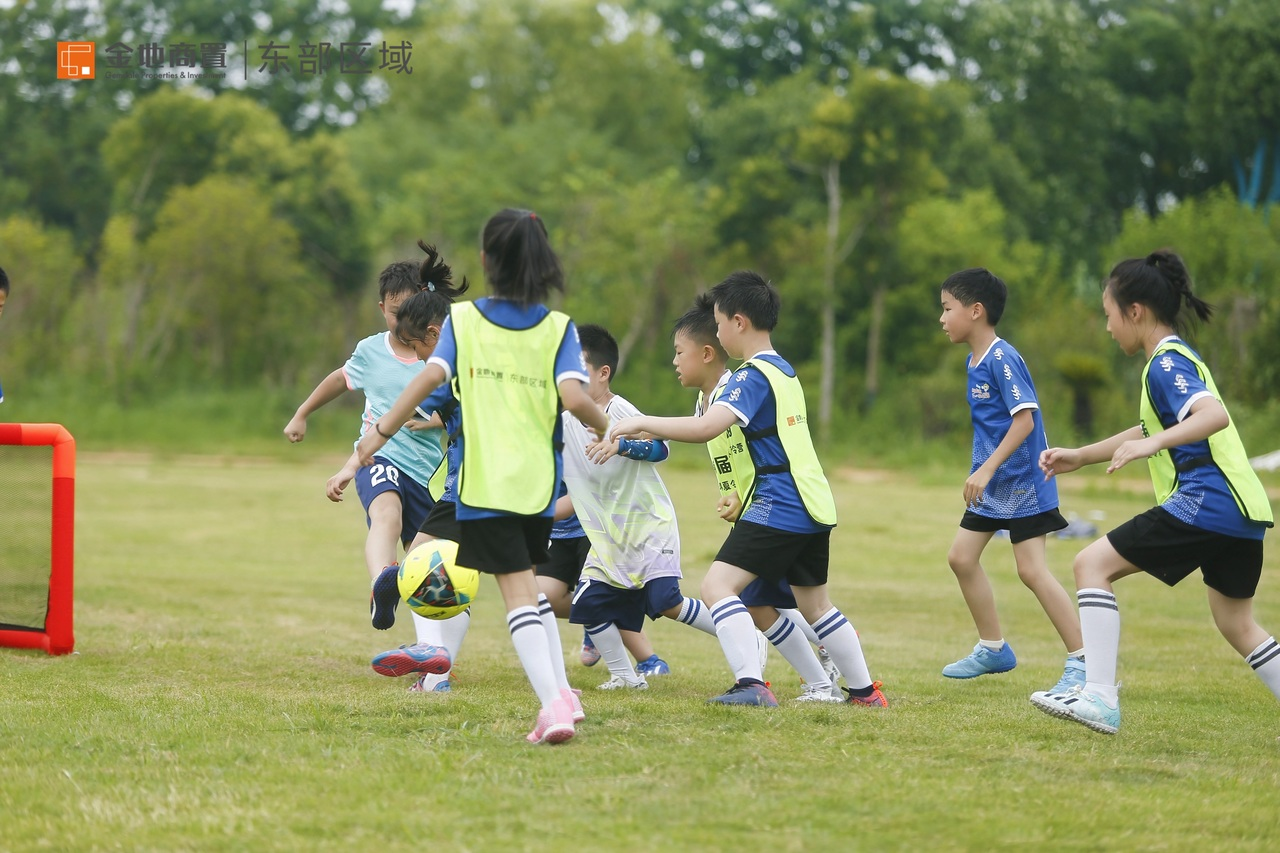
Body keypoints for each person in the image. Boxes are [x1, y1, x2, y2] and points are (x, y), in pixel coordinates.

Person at [356, 208, 608, 745]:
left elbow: (427, 378)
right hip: (540, 483)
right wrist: (610, 429)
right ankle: (550, 688)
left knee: (510, 591)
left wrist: (380, 431)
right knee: (521, 588)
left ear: (488, 260)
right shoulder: (558, 328)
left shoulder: (465, 322)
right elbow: (573, 398)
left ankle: (552, 704)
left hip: (487, 479)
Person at [611, 271, 886, 708]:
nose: (718, 333)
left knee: (717, 587)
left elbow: (705, 429)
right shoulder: (784, 371)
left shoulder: (749, 375)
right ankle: (861, 693)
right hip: (811, 501)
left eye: (719, 323)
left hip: (781, 503)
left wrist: (642, 421)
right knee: (795, 604)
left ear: (738, 322)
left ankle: (751, 686)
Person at [1032, 249, 1277, 735]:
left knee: (1090, 564)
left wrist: (1156, 444)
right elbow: (1148, 427)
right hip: (1243, 512)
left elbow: (1212, 416)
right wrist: (1082, 455)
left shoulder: (1165, 363)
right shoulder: (1178, 358)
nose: (1108, 328)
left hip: (1208, 502)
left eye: (1109, 316)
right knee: (1236, 622)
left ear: (1135, 311)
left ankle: (1099, 697)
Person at [284, 249, 458, 651]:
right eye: (394, 313)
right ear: (382, 308)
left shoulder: (440, 355)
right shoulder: (372, 350)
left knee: (427, 568)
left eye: (409, 313)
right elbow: (340, 380)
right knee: (386, 514)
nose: (401, 323)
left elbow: (453, 407)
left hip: (427, 473)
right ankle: (383, 580)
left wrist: (436, 420)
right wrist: (302, 412)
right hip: (378, 456)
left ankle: (431, 655)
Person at [671, 294, 842, 701]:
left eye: (679, 352)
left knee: (739, 592)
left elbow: (758, 451)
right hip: (760, 505)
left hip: (776, 506)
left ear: (710, 350)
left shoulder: (742, 386)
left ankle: (761, 679)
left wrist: (644, 426)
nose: (674, 362)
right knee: (761, 603)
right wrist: (731, 495)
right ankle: (819, 676)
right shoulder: (704, 401)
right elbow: (730, 460)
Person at [936, 268, 1084, 695]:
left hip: (1023, 483)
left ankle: (1084, 660)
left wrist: (985, 469)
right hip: (994, 486)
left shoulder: (1002, 357)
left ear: (975, 311)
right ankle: (993, 647)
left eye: (947, 309)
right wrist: (985, 472)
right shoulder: (973, 360)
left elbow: (1025, 420)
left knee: (1031, 570)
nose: (942, 318)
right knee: (961, 558)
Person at [560, 324, 720, 690]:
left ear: (604, 373)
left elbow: (661, 448)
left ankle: (737, 630)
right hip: (609, 536)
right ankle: (626, 677)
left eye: (578, 368)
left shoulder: (620, 410)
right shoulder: (565, 420)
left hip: (648, 525)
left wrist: (622, 445)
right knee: (587, 606)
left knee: (667, 601)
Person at [366, 254, 474, 693]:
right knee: (437, 569)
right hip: (494, 482)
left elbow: (391, 419)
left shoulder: (444, 365)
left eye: (417, 346)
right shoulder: (473, 341)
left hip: (473, 483)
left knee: (424, 564)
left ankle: (434, 665)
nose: (416, 356)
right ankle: (435, 673)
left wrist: (356, 461)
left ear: (432, 332)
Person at [545, 485, 670, 677]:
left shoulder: (576, 455)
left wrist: (531, 517)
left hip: (595, 526)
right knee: (542, 597)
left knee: (605, 598)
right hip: (554, 531)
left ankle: (649, 661)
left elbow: (579, 493)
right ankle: (592, 616)